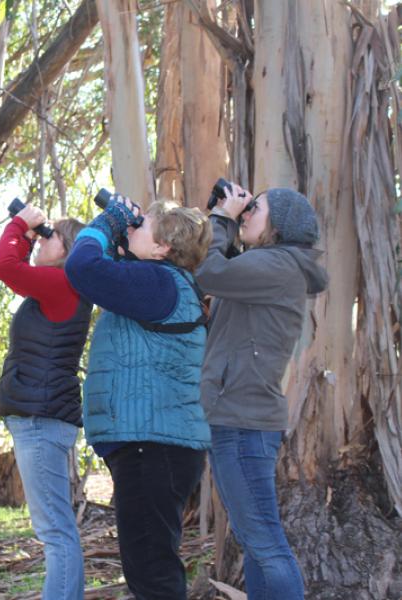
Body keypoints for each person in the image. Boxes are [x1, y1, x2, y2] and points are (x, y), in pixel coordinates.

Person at [65, 196, 212, 600]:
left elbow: (81, 268)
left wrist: (107, 220)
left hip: (155, 446)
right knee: (149, 567)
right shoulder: (157, 283)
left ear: (164, 247)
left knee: (152, 575)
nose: (130, 228)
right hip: (154, 445)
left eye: (140, 226)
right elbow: (105, 273)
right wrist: (120, 242)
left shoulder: (158, 283)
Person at [194, 184, 328, 600]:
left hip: (243, 422)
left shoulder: (279, 265)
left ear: (280, 223)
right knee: (256, 544)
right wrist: (220, 221)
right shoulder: (267, 266)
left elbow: (209, 272)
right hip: (235, 417)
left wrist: (221, 221)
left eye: (255, 208)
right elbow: (213, 271)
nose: (246, 214)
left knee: (267, 545)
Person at [0, 204, 91, 600]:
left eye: (51, 235)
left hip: (41, 420)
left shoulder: (63, 284)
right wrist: (29, 235)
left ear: (68, 252)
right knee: (55, 529)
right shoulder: (56, 285)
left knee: (55, 532)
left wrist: (19, 225)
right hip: (39, 418)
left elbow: (4, 266)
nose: (42, 239)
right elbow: (13, 269)